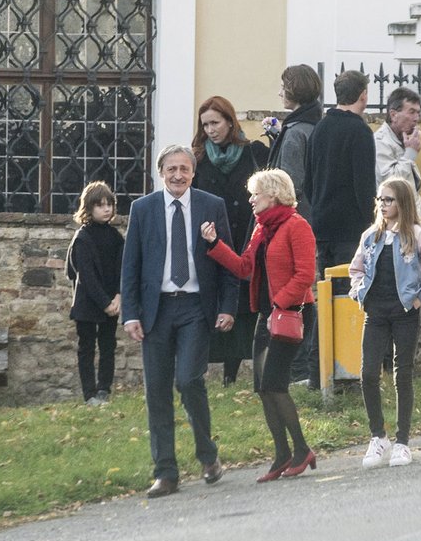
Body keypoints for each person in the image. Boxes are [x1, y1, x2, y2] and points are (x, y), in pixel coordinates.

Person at [120, 144, 238, 499]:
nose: (178, 175)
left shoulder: (211, 206)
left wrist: (228, 306)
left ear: (193, 172)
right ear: (161, 173)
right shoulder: (142, 209)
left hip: (194, 308)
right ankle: (166, 472)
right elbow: (130, 266)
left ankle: (207, 456)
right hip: (156, 310)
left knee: (188, 380)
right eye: (171, 169)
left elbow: (228, 262)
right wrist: (131, 314)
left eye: (184, 169)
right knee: (156, 390)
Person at [202, 169, 318, 482]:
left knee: (274, 385)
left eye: (256, 194)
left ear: (275, 194)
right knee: (263, 389)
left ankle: (301, 450)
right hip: (267, 316)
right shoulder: (261, 229)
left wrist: (280, 303)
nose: (251, 200)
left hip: (292, 312)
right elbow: (243, 268)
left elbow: (306, 275)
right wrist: (214, 244)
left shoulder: (297, 226)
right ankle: (282, 453)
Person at [349, 178, 421, 468]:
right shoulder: (371, 236)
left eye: (389, 200)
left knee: (401, 374)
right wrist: (359, 292)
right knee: (368, 373)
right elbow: (356, 268)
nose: (383, 205)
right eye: (380, 199)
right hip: (376, 312)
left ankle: (402, 441)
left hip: (405, 312)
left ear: (402, 203)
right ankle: (378, 436)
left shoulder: (415, 234)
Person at [304, 69, 377, 389]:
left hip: (321, 226)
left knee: (325, 298)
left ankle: (318, 369)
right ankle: (345, 373)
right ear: (363, 94)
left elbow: (307, 179)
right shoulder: (359, 132)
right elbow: (364, 187)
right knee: (350, 297)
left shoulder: (321, 128)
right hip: (351, 229)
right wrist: (373, 222)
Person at [191, 96, 269, 386]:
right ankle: (215, 370)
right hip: (213, 239)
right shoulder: (198, 159)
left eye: (215, 122)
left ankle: (234, 373)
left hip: (246, 236)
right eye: (206, 125)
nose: (211, 130)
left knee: (246, 305)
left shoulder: (253, 154)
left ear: (229, 121)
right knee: (217, 300)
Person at [65, 181, 124, 406]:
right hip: (88, 303)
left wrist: (118, 297)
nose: (106, 209)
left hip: (112, 300)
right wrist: (104, 303)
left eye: (109, 204)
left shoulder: (116, 237)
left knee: (108, 346)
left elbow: (122, 270)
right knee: (87, 347)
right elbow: (86, 276)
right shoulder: (83, 238)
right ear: (88, 208)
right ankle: (89, 393)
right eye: (100, 205)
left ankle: (104, 390)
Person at [263, 64, 323, 221]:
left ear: (295, 90)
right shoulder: (318, 126)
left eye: (283, 88)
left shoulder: (295, 133)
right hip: (317, 214)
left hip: (296, 218)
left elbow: (289, 186)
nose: (279, 93)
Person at [375, 87, 421, 221]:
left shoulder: (402, 140)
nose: (416, 118)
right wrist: (411, 153)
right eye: (411, 112)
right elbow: (390, 183)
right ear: (393, 115)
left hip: (409, 222)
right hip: (393, 225)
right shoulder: (381, 141)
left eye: (418, 113)